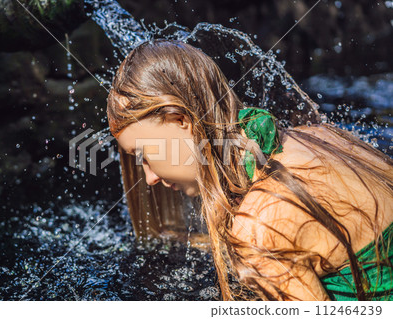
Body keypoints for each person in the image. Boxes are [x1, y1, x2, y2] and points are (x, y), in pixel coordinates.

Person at [106, 39, 393, 301]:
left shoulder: (258, 228)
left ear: (181, 120)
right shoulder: (318, 136)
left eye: (144, 155)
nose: (150, 177)